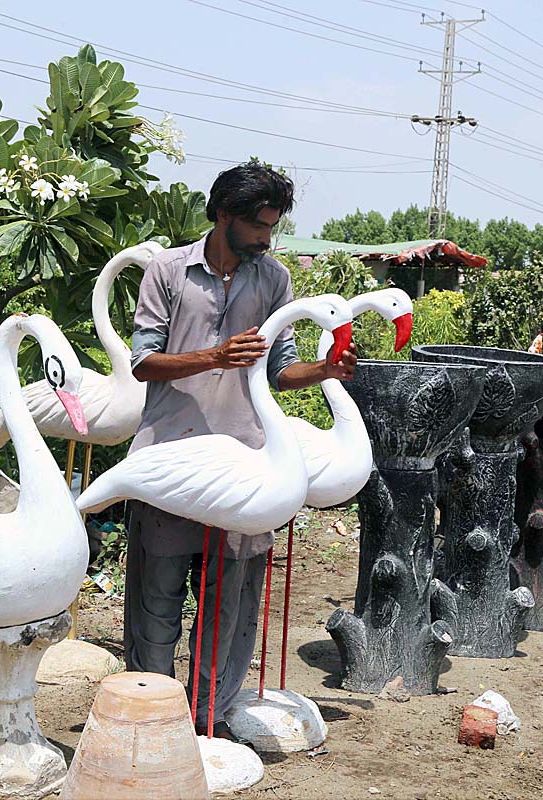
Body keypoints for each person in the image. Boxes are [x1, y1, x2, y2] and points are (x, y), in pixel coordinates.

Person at [124, 162, 356, 737]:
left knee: (229, 603)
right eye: (257, 225)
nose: (265, 238)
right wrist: (214, 356)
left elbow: (280, 369)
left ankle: (210, 718)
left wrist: (324, 371)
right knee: (156, 599)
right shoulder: (168, 271)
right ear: (223, 214)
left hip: (246, 466)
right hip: (171, 459)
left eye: (272, 226)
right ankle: (152, 714)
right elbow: (142, 362)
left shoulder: (273, 279)